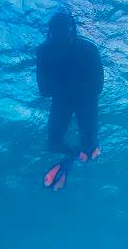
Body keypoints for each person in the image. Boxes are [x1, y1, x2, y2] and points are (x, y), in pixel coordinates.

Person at [36, 11, 104, 192]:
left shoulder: (45, 51)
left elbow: (44, 89)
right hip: (75, 100)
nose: (61, 38)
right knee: (58, 144)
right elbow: (98, 84)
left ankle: (76, 154)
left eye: (62, 33)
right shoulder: (87, 48)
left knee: (61, 144)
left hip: (76, 100)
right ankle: (74, 156)